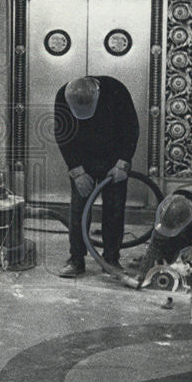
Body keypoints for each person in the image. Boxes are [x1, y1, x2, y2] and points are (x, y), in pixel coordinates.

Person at [54, 75, 138, 278]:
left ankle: (111, 258)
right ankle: (76, 259)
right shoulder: (63, 96)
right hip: (83, 160)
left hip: (114, 159)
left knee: (115, 208)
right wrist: (76, 170)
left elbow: (131, 128)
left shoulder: (116, 90)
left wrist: (123, 162)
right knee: (79, 209)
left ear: (97, 94)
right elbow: (62, 134)